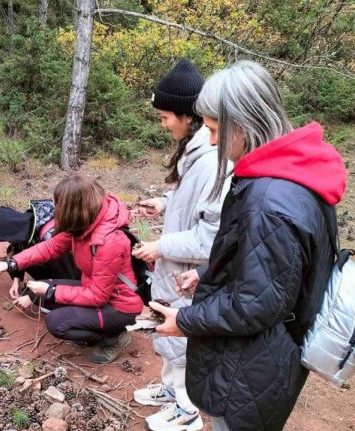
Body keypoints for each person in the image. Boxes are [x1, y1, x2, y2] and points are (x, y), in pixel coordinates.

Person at [151, 61, 347, 431]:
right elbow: (278, 269)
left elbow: (257, 304)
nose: (211, 141)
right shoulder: (296, 176)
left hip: (254, 365)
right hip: (270, 352)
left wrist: (187, 320)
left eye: (213, 129)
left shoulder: (268, 202)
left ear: (242, 124)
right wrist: (210, 272)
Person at [130, 59, 228, 431]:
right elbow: (192, 204)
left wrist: (161, 246)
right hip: (175, 267)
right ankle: (170, 391)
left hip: (188, 272)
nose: (163, 124)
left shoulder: (211, 161)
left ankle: (187, 412)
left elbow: (211, 237)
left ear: (188, 115)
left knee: (182, 342)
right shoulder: (195, 151)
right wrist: (166, 203)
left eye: (165, 116)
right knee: (168, 335)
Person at [0, 175, 144, 364]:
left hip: (119, 306)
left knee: (56, 323)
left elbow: (98, 296)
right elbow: (51, 247)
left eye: (60, 205)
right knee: (39, 292)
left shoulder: (108, 240)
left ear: (73, 207)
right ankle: (93, 327)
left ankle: (113, 338)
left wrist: (52, 292)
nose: (57, 210)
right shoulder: (86, 223)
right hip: (95, 289)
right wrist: (11, 264)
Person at [0, 199, 81, 310]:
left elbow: (70, 277)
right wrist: (16, 278)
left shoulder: (51, 235)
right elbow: (16, 248)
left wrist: (35, 297)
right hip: (61, 268)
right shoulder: (28, 223)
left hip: (76, 277)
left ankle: (53, 302)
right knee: (23, 251)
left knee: (56, 320)